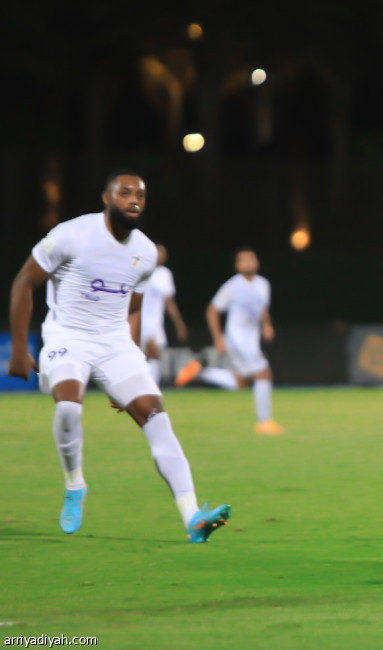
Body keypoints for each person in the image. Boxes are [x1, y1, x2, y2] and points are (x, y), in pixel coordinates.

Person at [6, 169, 230, 542]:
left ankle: (193, 517)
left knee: (158, 420)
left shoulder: (145, 252)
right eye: (125, 193)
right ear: (106, 198)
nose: (134, 199)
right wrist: (18, 348)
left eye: (140, 194)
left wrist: (130, 366)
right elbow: (23, 282)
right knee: (68, 407)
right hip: (68, 336)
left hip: (114, 344)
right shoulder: (71, 234)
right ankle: (75, 484)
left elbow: (133, 310)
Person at [175, 247, 283, 435]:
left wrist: (267, 325)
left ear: (257, 263)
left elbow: (263, 309)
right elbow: (212, 310)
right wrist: (218, 338)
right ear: (237, 266)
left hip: (252, 338)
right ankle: (264, 422)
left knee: (241, 382)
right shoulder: (232, 286)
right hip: (237, 337)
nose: (248, 263)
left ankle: (199, 372)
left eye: (251, 259)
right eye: (243, 260)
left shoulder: (264, 284)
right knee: (264, 373)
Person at [140, 244, 188, 385]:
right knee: (142, 356)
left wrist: (179, 325)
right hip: (137, 320)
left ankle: (151, 387)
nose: (160, 255)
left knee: (154, 354)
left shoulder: (164, 274)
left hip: (154, 323)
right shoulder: (140, 271)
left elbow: (168, 302)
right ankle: (145, 387)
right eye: (157, 251)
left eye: (163, 252)